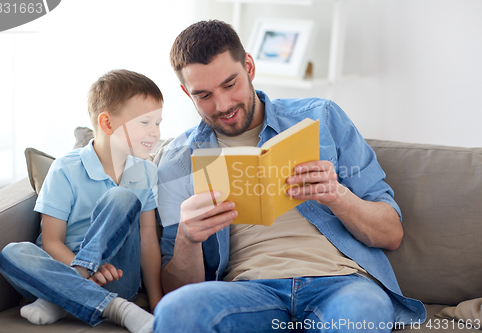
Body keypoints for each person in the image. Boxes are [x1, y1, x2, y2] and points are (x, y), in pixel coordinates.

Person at [153, 20, 426, 332]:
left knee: (361, 311)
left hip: (340, 284)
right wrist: (187, 238)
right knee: (177, 310)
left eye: (230, 85)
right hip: (249, 294)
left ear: (249, 67)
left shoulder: (321, 116)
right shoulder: (176, 160)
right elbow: (175, 290)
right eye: (203, 95)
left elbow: (391, 234)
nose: (223, 105)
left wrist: (339, 197)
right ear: (186, 92)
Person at [0, 69, 163, 333]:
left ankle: (62, 296)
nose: (155, 132)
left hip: (118, 278)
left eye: (158, 123)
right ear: (107, 124)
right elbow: (51, 241)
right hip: (60, 267)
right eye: (145, 122)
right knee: (11, 253)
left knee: (121, 197)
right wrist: (84, 270)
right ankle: (111, 306)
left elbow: (149, 242)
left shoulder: (144, 172)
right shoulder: (66, 168)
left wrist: (158, 304)